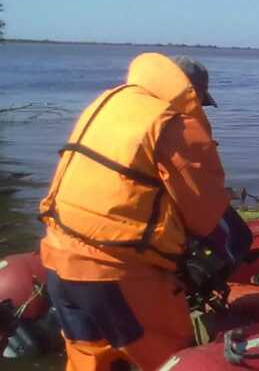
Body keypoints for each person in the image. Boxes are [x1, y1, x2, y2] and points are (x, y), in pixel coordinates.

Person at [38, 53, 231, 371]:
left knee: (89, 361)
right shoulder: (174, 124)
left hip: (59, 258)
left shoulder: (109, 101)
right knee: (166, 360)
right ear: (192, 92)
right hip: (115, 273)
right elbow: (206, 215)